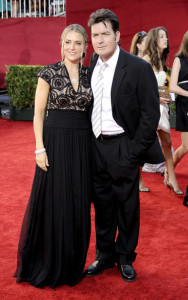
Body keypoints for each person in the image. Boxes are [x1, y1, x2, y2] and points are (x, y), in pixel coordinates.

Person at [85, 9, 164, 282]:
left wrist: (132, 151)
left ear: (118, 35)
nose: (99, 39)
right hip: (97, 146)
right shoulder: (93, 61)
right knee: (103, 205)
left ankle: (125, 258)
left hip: (123, 146)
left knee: (127, 207)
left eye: (105, 34)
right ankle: (104, 255)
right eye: (95, 35)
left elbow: (150, 115)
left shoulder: (138, 67)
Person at [14, 24, 93, 288]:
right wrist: (39, 147)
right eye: (68, 42)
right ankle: (47, 261)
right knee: (54, 199)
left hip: (82, 143)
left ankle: (72, 262)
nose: (72, 47)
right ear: (61, 43)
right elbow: (38, 114)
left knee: (77, 199)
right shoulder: (48, 72)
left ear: (85, 47)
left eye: (78, 43)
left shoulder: (91, 74)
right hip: (54, 142)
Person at [143, 27, 183, 195]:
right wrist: (158, 98)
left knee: (167, 145)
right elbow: (142, 88)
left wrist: (165, 94)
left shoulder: (162, 59)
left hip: (162, 108)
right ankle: (138, 180)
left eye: (166, 36)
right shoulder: (145, 59)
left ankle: (170, 178)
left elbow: (160, 85)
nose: (166, 39)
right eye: (161, 37)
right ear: (154, 40)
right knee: (143, 145)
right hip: (149, 108)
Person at [130, 31, 150, 192]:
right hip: (136, 111)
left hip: (151, 108)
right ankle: (139, 179)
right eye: (146, 41)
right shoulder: (133, 63)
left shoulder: (151, 61)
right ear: (138, 45)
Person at [169, 31, 188, 171]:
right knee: (186, 146)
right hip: (185, 105)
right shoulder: (179, 59)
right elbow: (172, 86)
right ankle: (169, 169)